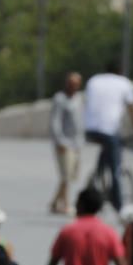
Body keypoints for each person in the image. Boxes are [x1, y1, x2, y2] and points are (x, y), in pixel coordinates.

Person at [83, 61, 133, 212]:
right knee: (115, 169)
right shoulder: (124, 83)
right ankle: (120, 207)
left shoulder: (93, 80)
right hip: (109, 130)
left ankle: (98, 178)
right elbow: (132, 110)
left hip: (90, 129)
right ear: (120, 71)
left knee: (106, 151)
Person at [49, 72, 84, 215]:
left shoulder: (79, 98)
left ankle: (54, 202)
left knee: (70, 176)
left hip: (77, 143)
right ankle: (65, 204)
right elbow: (54, 122)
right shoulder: (59, 99)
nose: (73, 87)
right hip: (64, 143)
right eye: (71, 83)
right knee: (66, 176)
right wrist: (59, 141)